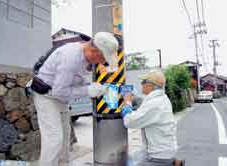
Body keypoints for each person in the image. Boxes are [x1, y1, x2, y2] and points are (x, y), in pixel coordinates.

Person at [31, 32, 119, 166]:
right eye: (101, 58)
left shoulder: (83, 57)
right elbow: (60, 91)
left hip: (60, 99)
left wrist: (89, 88)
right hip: (47, 98)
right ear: (94, 50)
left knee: (65, 139)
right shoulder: (71, 57)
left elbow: (72, 83)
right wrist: (88, 90)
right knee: (54, 139)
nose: (101, 62)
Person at [121, 70, 185, 166]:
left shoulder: (154, 104)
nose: (141, 85)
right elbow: (145, 111)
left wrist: (127, 102)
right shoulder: (162, 99)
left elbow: (130, 122)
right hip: (164, 151)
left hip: (158, 156)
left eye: (143, 82)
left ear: (150, 85)